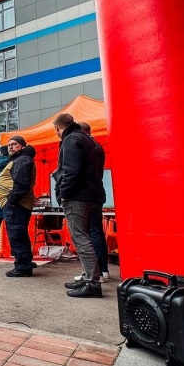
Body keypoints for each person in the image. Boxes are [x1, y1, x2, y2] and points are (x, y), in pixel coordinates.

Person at [53, 113, 105, 297]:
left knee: (81, 239)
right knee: (87, 237)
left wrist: (64, 194)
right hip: (92, 195)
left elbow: (70, 171)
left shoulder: (70, 140)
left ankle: (92, 283)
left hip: (77, 197)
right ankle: (88, 277)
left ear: (58, 128)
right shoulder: (89, 140)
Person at [0, 136, 37, 277]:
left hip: (17, 204)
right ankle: (25, 263)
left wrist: (11, 201)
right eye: (9, 145)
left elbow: (21, 185)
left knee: (17, 235)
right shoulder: (20, 159)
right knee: (20, 234)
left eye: (15, 144)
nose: (11, 147)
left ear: (22, 147)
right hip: (18, 204)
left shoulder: (22, 160)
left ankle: (22, 267)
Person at [76, 121, 110, 283]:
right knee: (96, 232)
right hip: (97, 193)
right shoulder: (98, 146)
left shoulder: (86, 146)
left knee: (88, 234)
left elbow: (76, 171)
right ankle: (103, 270)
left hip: (86, 195)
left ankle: (94, 274)